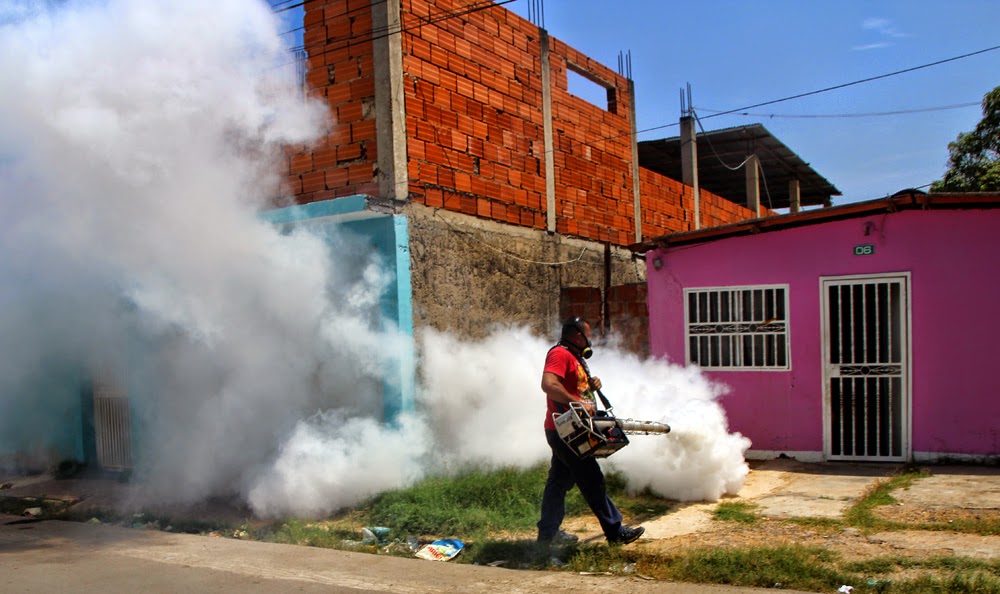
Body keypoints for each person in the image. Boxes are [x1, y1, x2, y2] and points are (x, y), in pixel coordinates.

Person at [536, 316, 644, 545]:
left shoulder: (574, 357)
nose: (590, 339)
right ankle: (615, 532)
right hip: (568, 431)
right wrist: (577, 401)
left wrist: (591, 385)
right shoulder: (559, 354)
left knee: (558, 482)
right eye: (588, 335)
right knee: (592, 479)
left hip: (570, 430)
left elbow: (574, 387)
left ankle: (547, 535)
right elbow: (549, 384)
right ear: (578, 336)